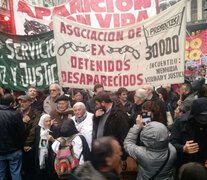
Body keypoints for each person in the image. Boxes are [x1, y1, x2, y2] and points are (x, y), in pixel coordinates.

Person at [170, 98, 207, 176]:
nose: (204, 121)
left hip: (203, 164)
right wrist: (183, 148)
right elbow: (172, 143)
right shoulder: (180, 122)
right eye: (201, 118)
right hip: (185, 165)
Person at [93, 92, 129, 160]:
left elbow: (124, 136)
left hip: (112, 153)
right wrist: (96, 117)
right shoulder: (101, 111)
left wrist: (122, 155)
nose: (96, 106)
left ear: (103, 103)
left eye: (97, 104)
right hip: (102, 150)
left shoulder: (119, 115)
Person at [0, 94, 25, 180]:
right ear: (11, 103)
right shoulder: (15, 115)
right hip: (14, 150)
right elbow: (22, 133)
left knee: (1, 174)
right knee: (16, 173)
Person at [17, 95, 41, 180]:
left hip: (30, 145)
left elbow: (33, 131)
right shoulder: (17, 112)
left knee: (29, 168)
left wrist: (26, 144)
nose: (22, 103)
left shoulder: (36, 113)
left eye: (24, 101)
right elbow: (15, 128)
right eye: (20, 101)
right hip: (18, 145)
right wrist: (22, 122)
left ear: (30, 103)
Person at [34, 114, 52, 180]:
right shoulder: (38, 129)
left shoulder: (54, 129)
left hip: (50, 156)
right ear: (42, 122)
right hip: (39, 154)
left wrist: (52, 140)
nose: (49, 123)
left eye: (50, 121)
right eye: (46, 121)